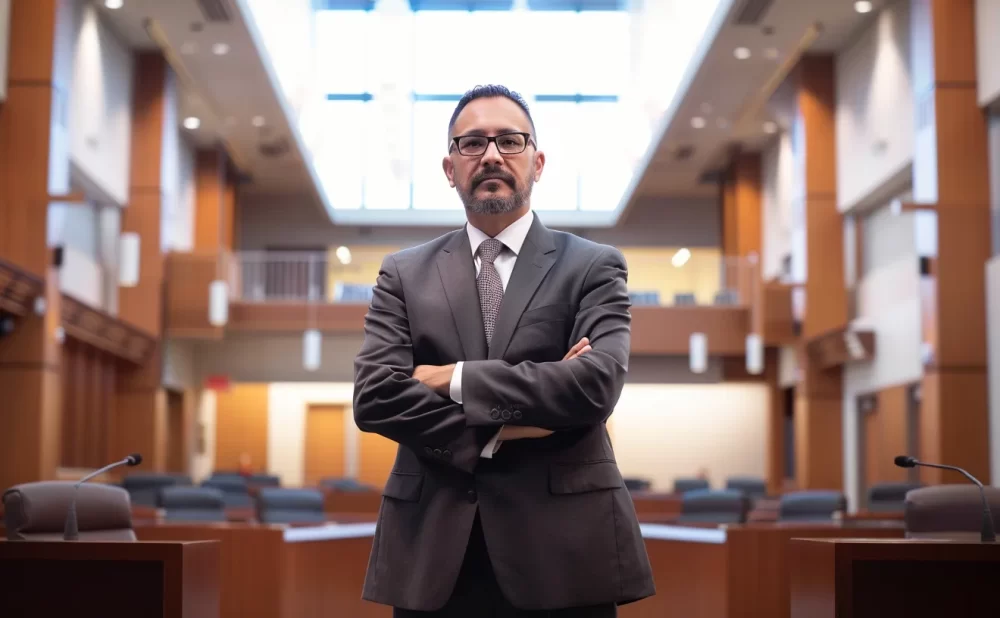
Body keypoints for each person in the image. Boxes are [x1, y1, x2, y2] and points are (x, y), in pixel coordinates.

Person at [353, 85, 654, 617]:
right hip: (434, 554)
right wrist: (510, 426)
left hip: (564, 553)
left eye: (509, 141)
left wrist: (452, 379)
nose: (491, 154)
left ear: (537, 162)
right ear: (450, 168)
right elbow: (376, 397)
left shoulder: (592, 265)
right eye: (471, 143)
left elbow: (594, 385)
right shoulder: (403, 273)